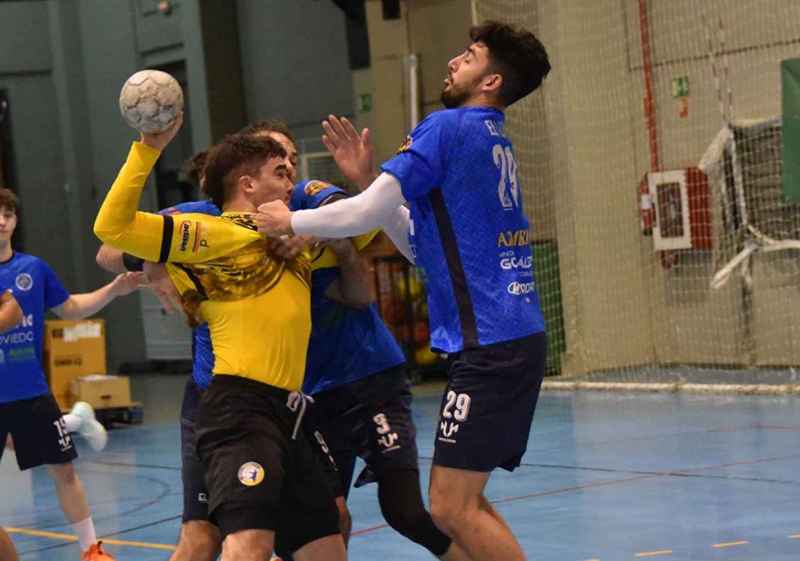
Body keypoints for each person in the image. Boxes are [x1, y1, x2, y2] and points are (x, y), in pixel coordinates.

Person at [254, 21, 551, 561]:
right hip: (507, 340)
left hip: (491, 344)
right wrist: (371, 182)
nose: (455, 61)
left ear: (492, 80)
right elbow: (420, 246)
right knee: (458, 502)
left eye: (471, 55)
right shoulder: (488, 135)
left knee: (449, 507)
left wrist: (290, 219)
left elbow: (364, 214)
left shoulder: (445, 127)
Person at [94, 120, 352, 561]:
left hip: (290, 411)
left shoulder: (293, 240)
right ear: (248, 184)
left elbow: (365, 225)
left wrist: (353, 187)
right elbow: (111, 230)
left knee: (327, 547)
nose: (292, 179)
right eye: (281, 172)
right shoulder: (212, 233)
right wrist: (147, 148)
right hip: (240, 410)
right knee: (248, 546)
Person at [0, 188, 144, 561]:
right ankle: (77, 419)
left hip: (29, 392)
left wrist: (113, 289)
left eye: (8, 213)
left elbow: (71, 309)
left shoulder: (33, 269)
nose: (1, 220)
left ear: (15, 221)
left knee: (63, 472)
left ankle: (91, 549)